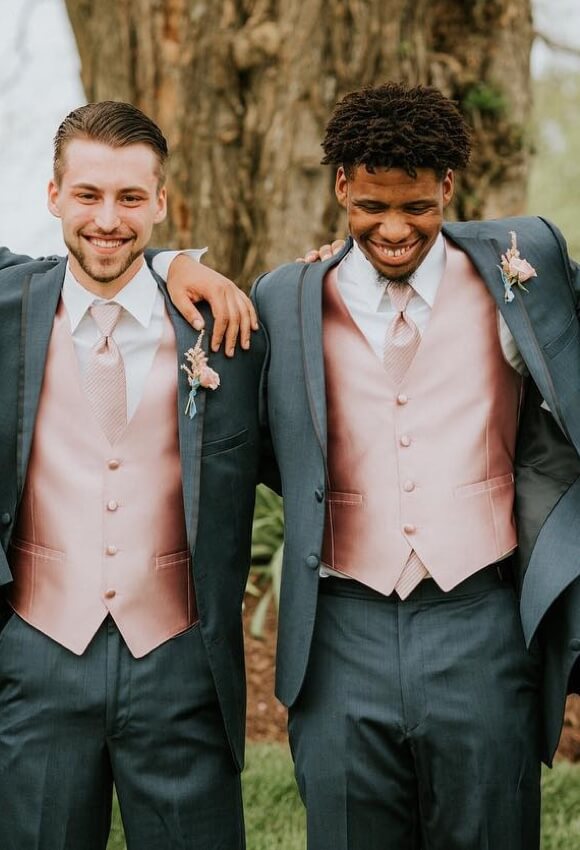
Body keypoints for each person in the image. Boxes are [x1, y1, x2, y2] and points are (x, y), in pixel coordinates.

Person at [168, 81, 580, 850]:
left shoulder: (523, 268)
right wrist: (168, 263)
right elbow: (256, 445)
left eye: (417, 208)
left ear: (449, 188)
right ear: (340, 188)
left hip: (481, 623)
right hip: (339, 634)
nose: (393, 229)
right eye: (370, 208)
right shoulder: (285, 297)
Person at [0, 100, 267, 850]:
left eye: (129, 198)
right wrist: (168, 257)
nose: (107, 219)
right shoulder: (10, 306)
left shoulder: (227, 331)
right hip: (37, 652)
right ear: (53, 196)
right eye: (87, 194)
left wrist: (171, 263)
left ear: (160, 203)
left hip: (180, 658)